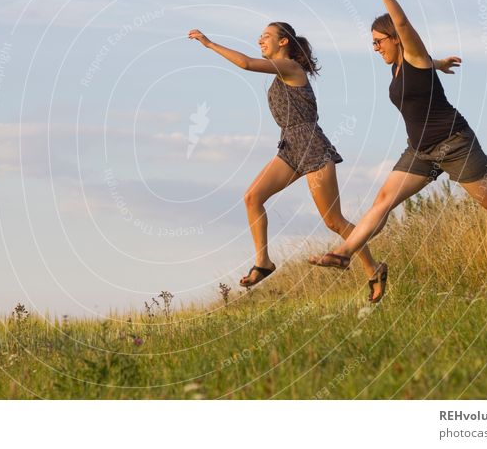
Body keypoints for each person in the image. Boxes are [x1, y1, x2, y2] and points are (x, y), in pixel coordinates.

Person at [308, 0, 487, 298]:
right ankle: (344, 253)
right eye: (372, 44)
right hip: (420, 152)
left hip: (456, 144)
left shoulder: (411, 52)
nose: (376, 48)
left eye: (378, 42)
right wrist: (438, 63)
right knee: (383, 201)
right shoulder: (402, 65)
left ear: (396, 40)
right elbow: (423, 68)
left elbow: (403, 25)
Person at [188, 23, 454, 301]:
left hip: (312, 148)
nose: (260, 40)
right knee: (252, 197)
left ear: (283, 43)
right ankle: (264, 262)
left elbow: (245, 64)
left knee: (334, 221)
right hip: (291, 147)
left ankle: (374, 269)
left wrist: (209, 44)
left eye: (266, 36)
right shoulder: (281, 71)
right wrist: (436, 63)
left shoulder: (289, 67)